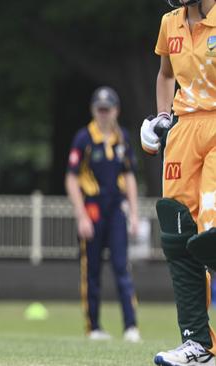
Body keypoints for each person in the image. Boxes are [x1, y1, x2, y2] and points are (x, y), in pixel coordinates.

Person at [140, 0, 216, 365]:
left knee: (212, 231)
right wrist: (162, 118)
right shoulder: (170, 23)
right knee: (178, 232)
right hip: (184, 130)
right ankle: (198, 344)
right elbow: (166, 74)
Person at [65, 86, 141, 343]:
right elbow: (72, 179)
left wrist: (134, 214)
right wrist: (81, 216)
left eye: (108, 109)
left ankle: (131, 326)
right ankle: (93, 327)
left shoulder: (123, 139)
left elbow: (129, 176)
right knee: (92, 270)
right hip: (93, 208)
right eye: (100, 109)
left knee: (122, 267)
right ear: (94, 110)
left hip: (116, 209)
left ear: (116, 111)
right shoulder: (84, 138)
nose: (104, 114)